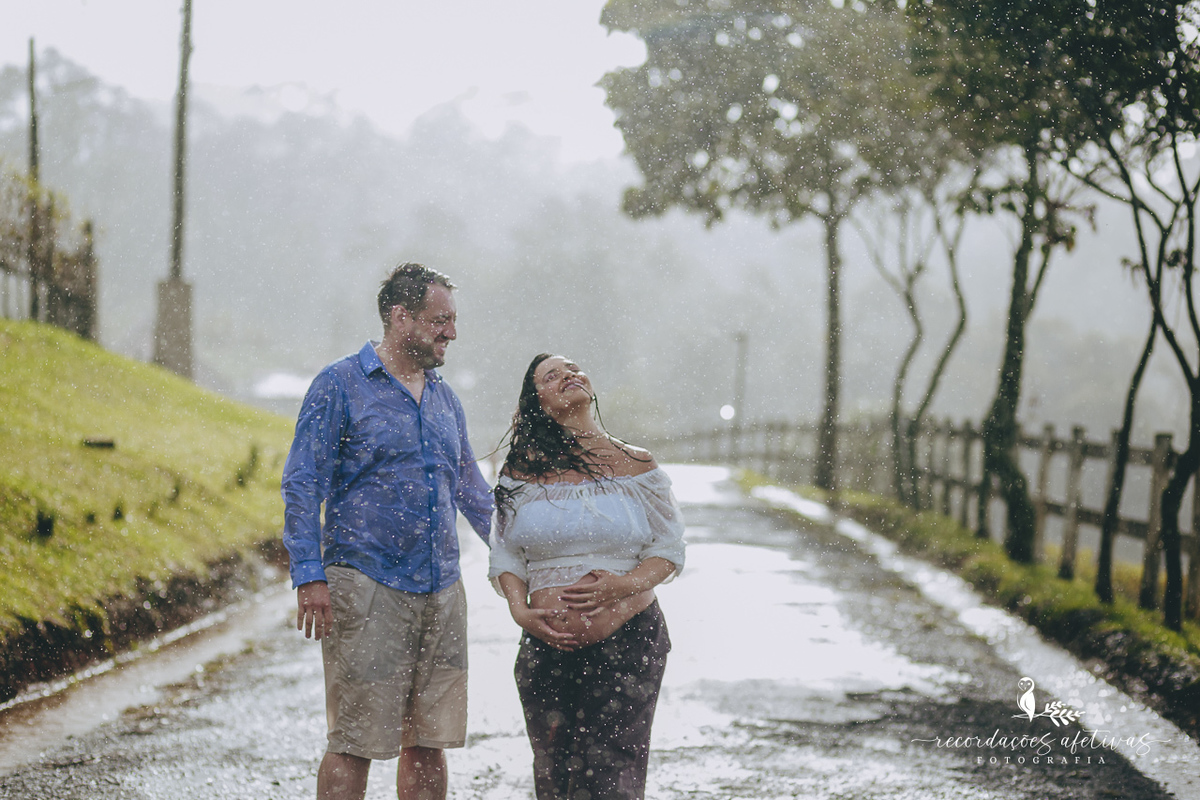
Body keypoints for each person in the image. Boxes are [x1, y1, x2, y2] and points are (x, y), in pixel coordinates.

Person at [281, 262, 493, 800]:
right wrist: (309, 575)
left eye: (453, 320)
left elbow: (472, 491)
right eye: (440, 319)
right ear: (401, 317)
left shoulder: (445, 399)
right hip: (367, 584)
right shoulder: (340, 385)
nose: (452, 332)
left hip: (442, 589)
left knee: (429, 742)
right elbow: (303, 484)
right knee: (354, 741)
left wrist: (524, 564)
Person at [489, 353, 686, 800]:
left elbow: (668, 551)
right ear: (536, 401)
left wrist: (620, 586)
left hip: (629, 642)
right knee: (554, 777)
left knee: (611, 780)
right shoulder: (521, 473)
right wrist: (520, 612)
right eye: (552, 375)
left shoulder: (636, 463)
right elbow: (505, 556)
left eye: (574, 369)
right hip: (544, 648)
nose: (569, 376)